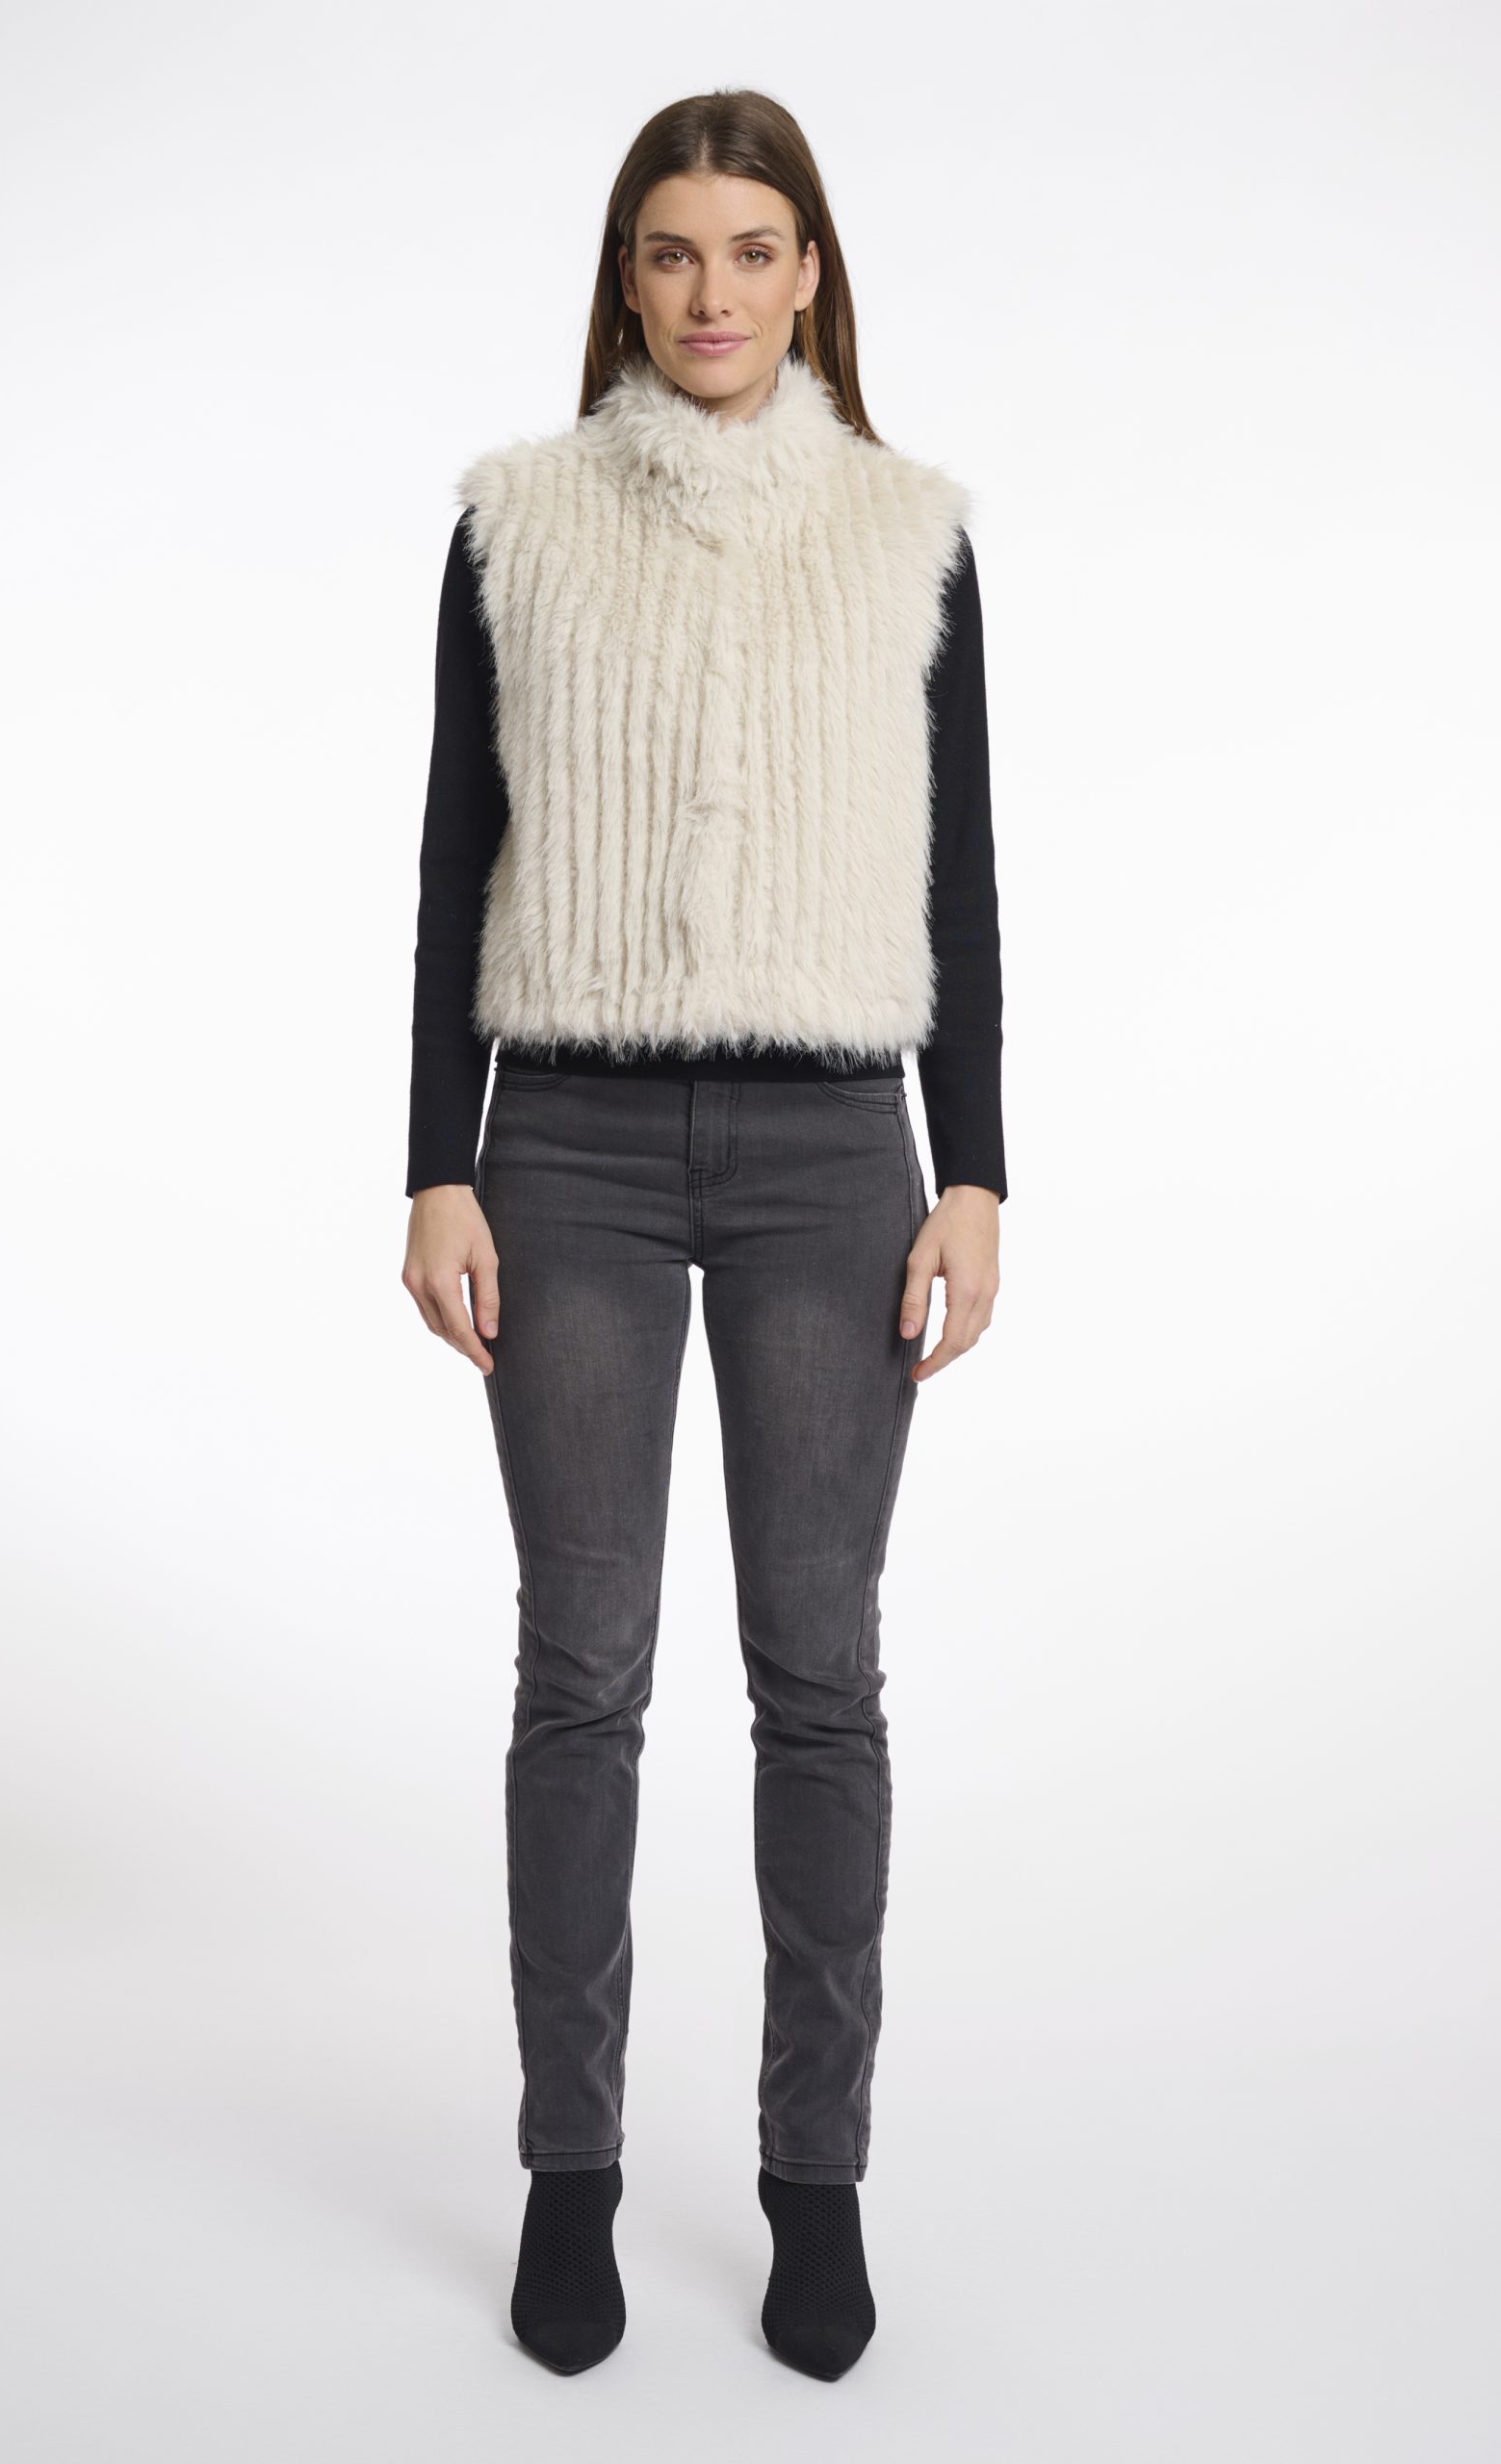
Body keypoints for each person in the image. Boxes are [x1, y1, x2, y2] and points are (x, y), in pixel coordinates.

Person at [401, 89, 1006, 2381]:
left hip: (836, 1142)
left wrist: (975, 1168)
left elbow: (961, 877)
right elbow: (452, 852)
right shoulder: (518, 523)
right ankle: (571, 2164)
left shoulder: (909, 533)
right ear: (624, 277)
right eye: (674, 251)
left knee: (820, 1670)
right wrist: (435, 1158)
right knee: (582, 1665)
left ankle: (811, 2174)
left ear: (813, 271)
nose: (715, 292)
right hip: (563, 1129)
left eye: (756, 249)